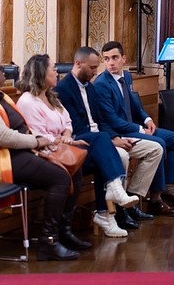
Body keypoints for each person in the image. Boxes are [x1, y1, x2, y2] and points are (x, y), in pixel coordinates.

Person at [0, 46, 78, 261]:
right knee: (60, 177)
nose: (5, 71)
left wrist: (43, 143)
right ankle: (49, 241)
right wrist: (38, 141)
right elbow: (3, 137)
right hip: (0, 159)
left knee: (72, 166)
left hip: (17, 153)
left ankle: (64, 232)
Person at [54, 46, 164, 235]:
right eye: (92, 68)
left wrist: (112, 137)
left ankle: (129, 200)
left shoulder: (89, 86)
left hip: (103, 137)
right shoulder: (63, 90)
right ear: (78, 64)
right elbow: (75, 129)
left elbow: (101, 120)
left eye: (97, 67)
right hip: (85, 142)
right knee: (121, 156)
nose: (96, 72)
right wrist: (110, 140)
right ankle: (113, 212)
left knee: (155, 149)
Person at [93, 41, 174, 216]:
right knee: (159, 143)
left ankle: (168, 191)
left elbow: (133, 103)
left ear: (123, 59)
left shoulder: (126, 76)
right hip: (120, 132)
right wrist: (140, 129)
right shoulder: (101, 84)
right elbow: (112, 120)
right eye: (106, 59)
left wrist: (146, 119)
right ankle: (152, 200)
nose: (111, 62)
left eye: (115, 58)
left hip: (134, 126)